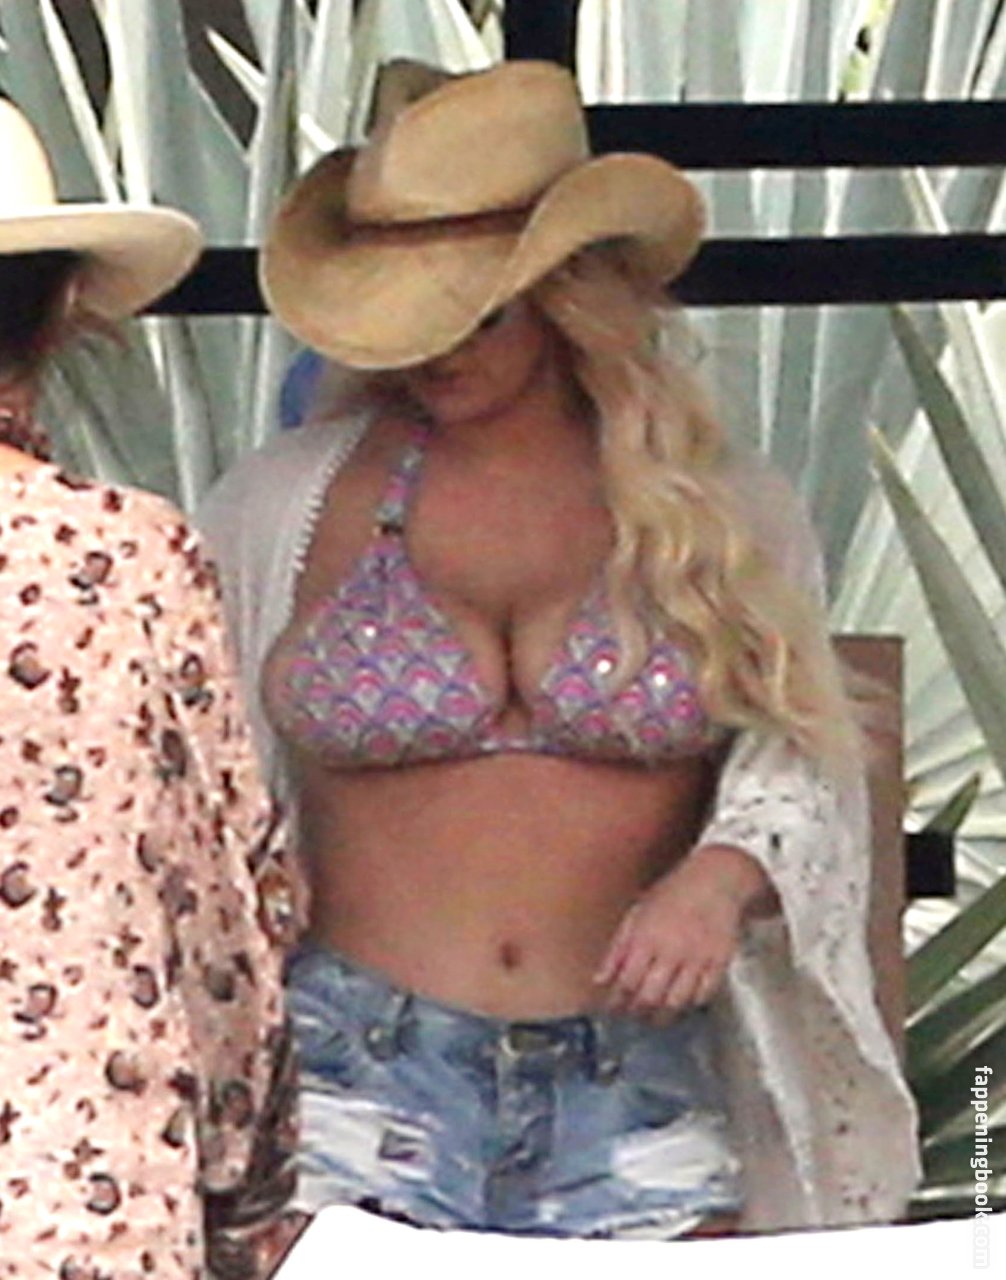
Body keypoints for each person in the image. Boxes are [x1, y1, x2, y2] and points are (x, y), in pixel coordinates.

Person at [199, 60, 920, 1239]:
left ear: (565, 296)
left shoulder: (718, 512)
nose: (439, 352)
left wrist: (721, 873)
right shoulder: (283, 504)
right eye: (410, 315)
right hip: (352, 1068)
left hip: (637, 1077)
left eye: (478, 312)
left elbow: (803, 748)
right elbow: (197, 763)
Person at [0, 99, 305, 1277]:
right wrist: (245, 1180)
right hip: (80, 1206)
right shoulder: (126, 559)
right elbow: (220, 904)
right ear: (63, 312)